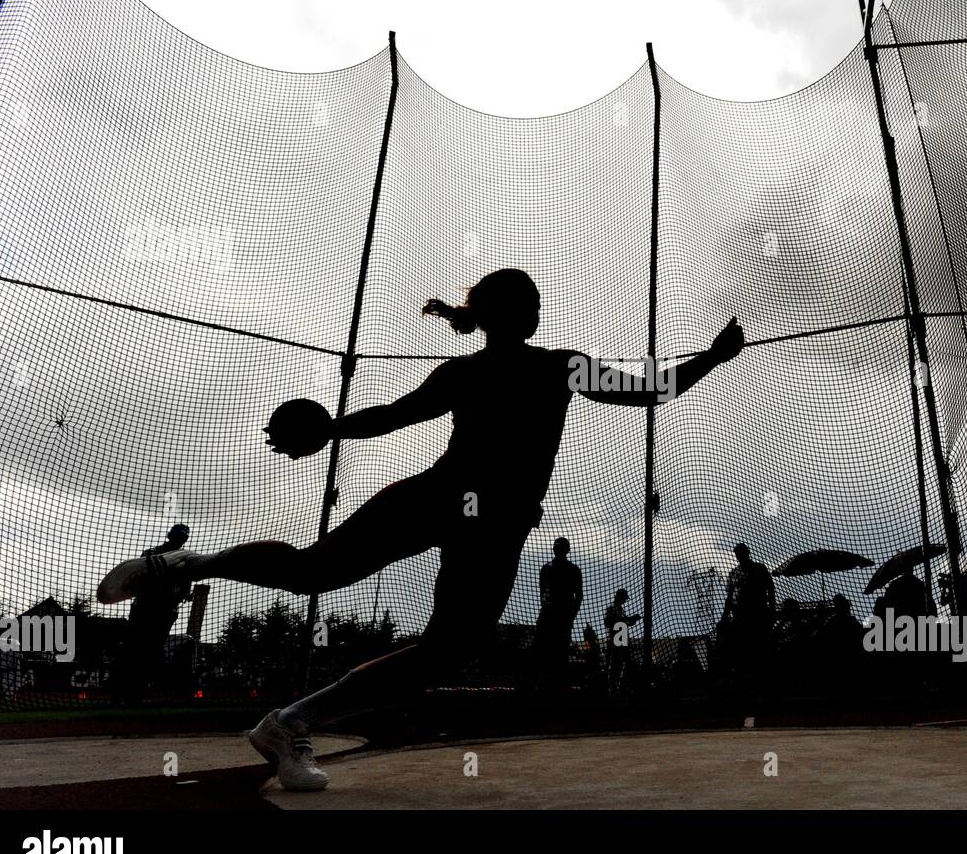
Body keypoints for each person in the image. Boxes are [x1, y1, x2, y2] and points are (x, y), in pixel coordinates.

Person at [96, 269, 744, 790]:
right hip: (462, 507)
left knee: (413, 630)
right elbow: (648, 389)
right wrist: (712, 358)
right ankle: (185, 567)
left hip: (470, 513)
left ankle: (287, 719)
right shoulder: (552, 366)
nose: (540, 310)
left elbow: (391, 417)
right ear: (514, 314)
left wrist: (330, 429)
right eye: (534, 301)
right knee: (338, 583)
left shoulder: (519, 368)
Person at [117, 523, 192, 703]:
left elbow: (184, 587)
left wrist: (176, 597)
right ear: (170, 536)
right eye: (178, 536)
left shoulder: (181, 558)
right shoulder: (158, 555)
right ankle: (127, 691)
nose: (180, 540)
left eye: (182, 537)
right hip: (149, 609)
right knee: (138, 648)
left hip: (158, 610)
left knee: (146, 649)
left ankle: (135, 692)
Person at [532, 537, 582, 691]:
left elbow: (578, 596)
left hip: (557, 615)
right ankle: (548, 682)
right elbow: (577, 596)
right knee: (548, 648)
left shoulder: (549, 568)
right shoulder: (551, 568)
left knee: (556, 649)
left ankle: (553, 683)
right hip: (555, 614)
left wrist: (569, 615)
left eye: (560, 547)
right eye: (557, 547)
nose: (557, 550)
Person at [724, 543, 776, 684]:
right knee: (745, 647)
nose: (739, 556)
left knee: (759, 645)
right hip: (742, 615)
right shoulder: (735, 573)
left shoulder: (759, 568)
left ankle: (762, 676)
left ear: (747, 553)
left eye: (741, 553)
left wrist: (772, 609)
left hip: (758, 613)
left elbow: (770, 589)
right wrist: (725, 615)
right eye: (737, 553)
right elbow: (729, 597)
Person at [603, 589, 641, 695]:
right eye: (624, 598)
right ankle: (614, 688)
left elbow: (619, 622)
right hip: (617, 639)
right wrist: (628, 620)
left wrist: (629, 621)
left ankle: (618, 687)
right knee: (617, 663)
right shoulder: (613, 609)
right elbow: (611, 623)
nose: (625, 600)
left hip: (621, 638)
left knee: (622, 663)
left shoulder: (618, 609)